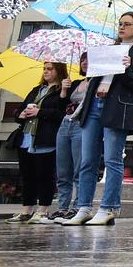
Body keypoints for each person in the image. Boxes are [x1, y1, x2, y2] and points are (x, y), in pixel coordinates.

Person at [65, 10, 133, 226]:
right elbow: (94, 78)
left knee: (112, 160)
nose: (122, 27)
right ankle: (83, 207)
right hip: (94, 105)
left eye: (127, 24)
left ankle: (108, 207)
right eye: (120, 23)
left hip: (117, 108)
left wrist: (126, 69)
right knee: (87, 161)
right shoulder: (108, 49)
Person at [8, 61, 66, 223]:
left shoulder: (62, 91)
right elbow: (20, 109)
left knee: (45, 174)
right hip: (26, 136)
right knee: (27, 175)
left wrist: (40, 112)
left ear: (58, 70)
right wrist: (21, 114)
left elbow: (61, 114)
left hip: (45, 138)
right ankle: (27, 210)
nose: (46, 72)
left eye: (50, 69)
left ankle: (43, 210)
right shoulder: (36, 89)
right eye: (44, 69)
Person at [43, 54, 88, 223]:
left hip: (81, 125)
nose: (84, 63)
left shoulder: (97, 84)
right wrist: (63, 90)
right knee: (63, 170)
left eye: (88, 60)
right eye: (82, 60)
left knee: (79, 169)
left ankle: (77, 207)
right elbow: (62, 107)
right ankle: (62, 208)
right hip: (65, 124)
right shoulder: (75, 83)